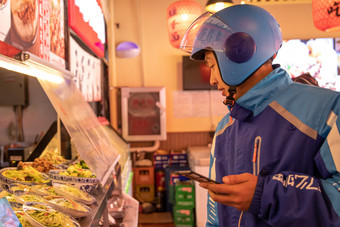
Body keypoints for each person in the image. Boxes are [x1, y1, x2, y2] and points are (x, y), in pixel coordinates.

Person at [180, 4, 340, 227]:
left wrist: (266, 195)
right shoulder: (225, 128)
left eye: (211, 65)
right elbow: (215, 217)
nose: (212, 80)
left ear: (239, 52)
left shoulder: (327, 109)